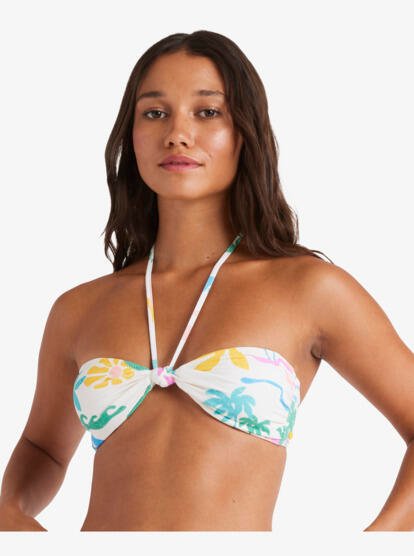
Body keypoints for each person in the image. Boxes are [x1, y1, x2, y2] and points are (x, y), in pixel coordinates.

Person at [0, 30, 413, 532]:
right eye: (155, 113)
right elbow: (43, 448)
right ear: (131, 135)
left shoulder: (309, 290)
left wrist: (374, 543)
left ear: (244, 133)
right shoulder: (79, 309)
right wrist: (10, 512)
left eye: (207, 112)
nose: (177, 134)